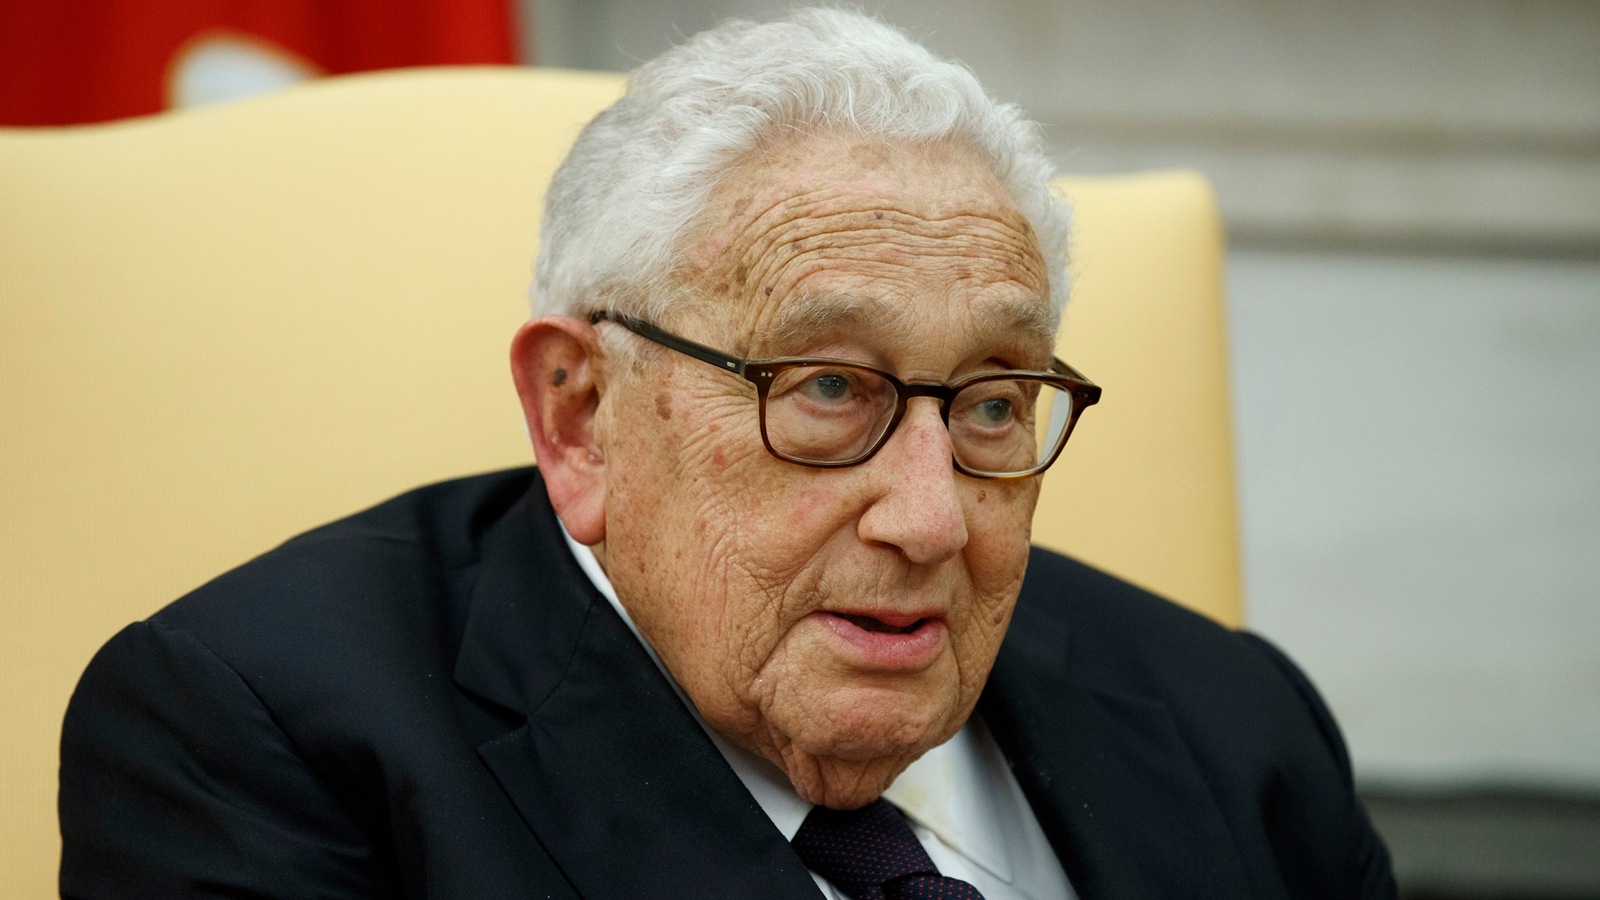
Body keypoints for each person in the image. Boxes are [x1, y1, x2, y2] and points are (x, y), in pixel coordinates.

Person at [59, 8, 1396, 899]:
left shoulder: (1234, 724)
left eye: (992, 403)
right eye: (827, 388)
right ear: (580, 414)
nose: (931, 523)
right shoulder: (257, 742)